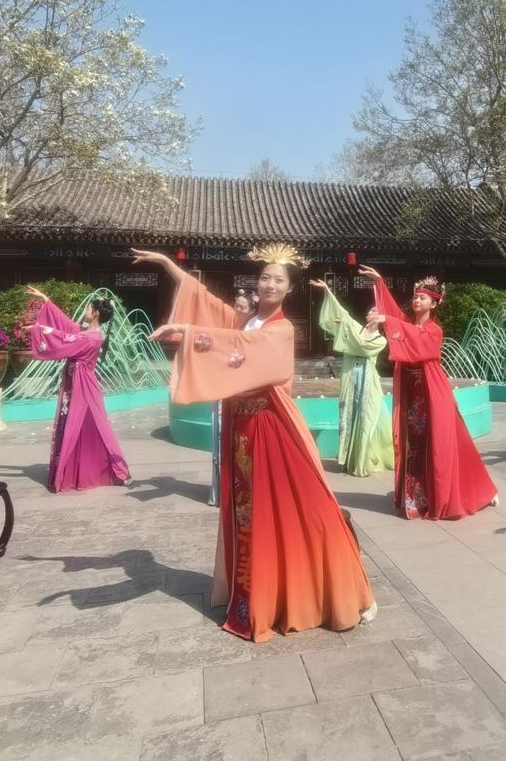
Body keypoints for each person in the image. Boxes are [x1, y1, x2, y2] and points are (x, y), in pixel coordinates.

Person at [138, 243, 376, 642]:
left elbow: (243, 350)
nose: (269, 284)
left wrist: (188, 332)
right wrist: (167, 265)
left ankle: (342, 588)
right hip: (243, 430)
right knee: (254, 515)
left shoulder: (281, 330)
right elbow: (205, 301)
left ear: (289, 288)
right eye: (265, 277)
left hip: (271, 429)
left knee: (301, 508)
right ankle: (265, 591)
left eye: (278, 280)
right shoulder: (245, 321)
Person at [359, 266, 498, 519]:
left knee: (442, 446)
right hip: (413, 395)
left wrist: (388, 320)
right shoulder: (409, 323)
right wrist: (380, 282)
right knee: (413, 446)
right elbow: (395, 316)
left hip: (432, 393)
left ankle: (460, 493)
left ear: (434, 304)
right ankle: (416, 499)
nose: (416, 300)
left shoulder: (434, 330)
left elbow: (412, 334)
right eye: (415, 296)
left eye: (422, 298)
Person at [26, 286, 131, 491]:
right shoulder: (87, 332)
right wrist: (47, 300)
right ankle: (78, 469)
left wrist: (38, 330)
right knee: (79, 424)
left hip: (83, 384)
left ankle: (117, 470)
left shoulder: (91, 337)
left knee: (95, 425)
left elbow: (65, 339)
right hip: (76, 382)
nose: (85, 310)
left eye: (89, 308)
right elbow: (68, 326)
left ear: (96, 313)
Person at [312, 279, 395, 476]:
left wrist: (346, 326)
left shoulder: (381, 340)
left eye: (376, 311)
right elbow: (343, 314)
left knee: (366, 418)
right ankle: (348, 460)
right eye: (371, 310)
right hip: (351, 380)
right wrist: (328, 291)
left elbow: (362, 347)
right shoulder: (356, 329)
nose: (372, 313)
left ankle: (362, 462)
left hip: (368, 382)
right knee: (349, 416)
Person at [205, 291, 259, 507]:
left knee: (240, 445)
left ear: (252, 310)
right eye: (236, 306)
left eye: (242, 308)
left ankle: (241, 489)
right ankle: (222, 490)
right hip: (224, 391)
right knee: (220, 440)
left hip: (242, 394)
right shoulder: (229, 327)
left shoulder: (253, 331)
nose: (237, 311)